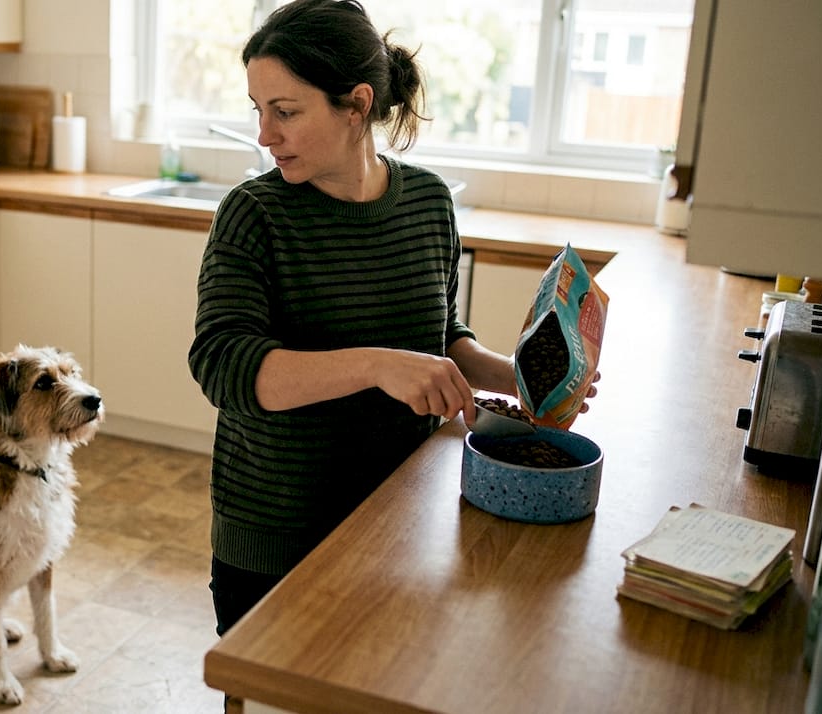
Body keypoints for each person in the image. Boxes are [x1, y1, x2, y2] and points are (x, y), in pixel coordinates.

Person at [188, 0, 595, 638]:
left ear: (356, 104)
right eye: (259, 111)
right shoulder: (252, 214)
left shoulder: (429, 202)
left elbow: (437, 336)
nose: (265, 135)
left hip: (402, 522)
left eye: (285, 112)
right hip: (279, 540)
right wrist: (378, 366)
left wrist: (515, 376)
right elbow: (226, 368)